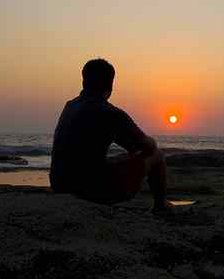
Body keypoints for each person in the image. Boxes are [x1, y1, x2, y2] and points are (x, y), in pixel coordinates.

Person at [50, 58, 172, 213]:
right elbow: (148, 146)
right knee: (157, 155)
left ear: (83, 81)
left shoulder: (70, 105)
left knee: (118, 157)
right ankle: (160, 206)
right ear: (111, 83)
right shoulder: (110, 113)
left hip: (59, 184)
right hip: (89, 189)